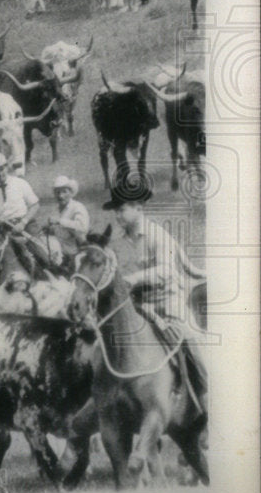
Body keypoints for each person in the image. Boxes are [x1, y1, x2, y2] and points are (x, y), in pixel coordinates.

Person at [102, 181, 207, 410]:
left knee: (188, 338)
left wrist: (134, 279)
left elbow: (166, 270)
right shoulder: (116, 243)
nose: (118, 215)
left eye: (122, 209)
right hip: (135, 306)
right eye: (116, 210)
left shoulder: (157, 235)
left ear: (139, 208)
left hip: (165, 302)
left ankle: (206, 397)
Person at [0, 152, 49, 276]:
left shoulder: (20, 183)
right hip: (3, 231)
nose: (0, 173)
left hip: (25, 226)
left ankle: (52, 276)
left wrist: (23, 223)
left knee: (40, 254)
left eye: (2, 168)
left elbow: (35, 205)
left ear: (6, 167)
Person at [48, 175, 89, 250]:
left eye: (64, 192)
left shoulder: (77, 207)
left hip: (75, 249)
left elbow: (82, 227)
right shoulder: (55, 209)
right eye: (58, 192)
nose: (60, 196)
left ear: (71, 192)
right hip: (57, 248)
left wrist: (59, 221)